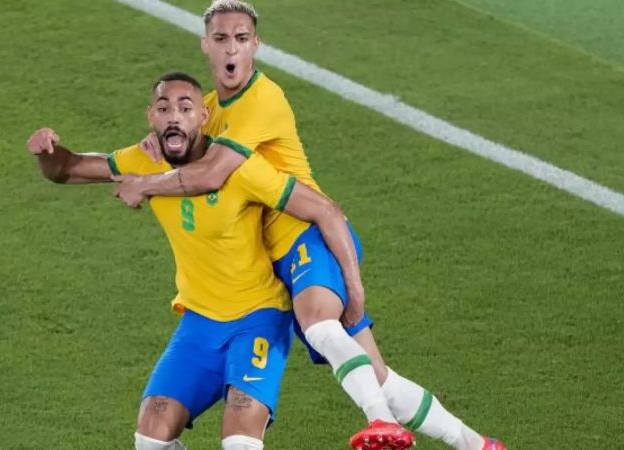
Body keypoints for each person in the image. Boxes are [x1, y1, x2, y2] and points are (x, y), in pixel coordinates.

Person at [101, 2, 505, 449]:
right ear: (206, 46)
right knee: (377, 375)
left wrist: (148, 184)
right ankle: (477, 445)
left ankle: (381, 424)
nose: (231, 49)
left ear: (255, 44)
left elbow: (214, 175)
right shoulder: (211, 109)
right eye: (221, 39)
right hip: (279, 258)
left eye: (240, 38)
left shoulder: (263, 98)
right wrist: (154, 141)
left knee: (318, 325)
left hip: (306, 233)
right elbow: (186, 130)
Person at [27, 72, 378, 450]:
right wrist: (47, 152)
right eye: (164, 108)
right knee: (150, 436)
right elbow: (68, 169)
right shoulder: (145, 161)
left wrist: (353, 289)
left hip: (257, 318)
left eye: (185, 108)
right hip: (200, 322)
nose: (174, 116)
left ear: (203, 117)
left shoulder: (236, 166)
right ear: (151, 118)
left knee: (239, 442)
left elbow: (323, 209)